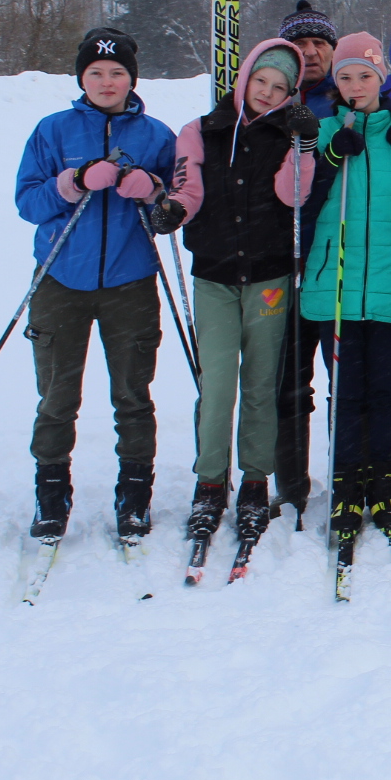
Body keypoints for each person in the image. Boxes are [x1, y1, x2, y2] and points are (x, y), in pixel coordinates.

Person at [15, 29, 177, 541]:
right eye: (96, 73)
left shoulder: (156, 136)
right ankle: (51, 493)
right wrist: (75, 182)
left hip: (130, 283)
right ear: (81, 77)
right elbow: (29, 204)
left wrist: (151, 191)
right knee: (57, 396)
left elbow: (174, 212)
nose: (107, 82)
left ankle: (134, 494)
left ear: (132, 78)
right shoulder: (53, 131)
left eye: (118, 73)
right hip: (61, 278)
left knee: (132, 393)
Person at [155, 39, 318, 544]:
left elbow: (294, 194)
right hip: (215, 277)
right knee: (219, 384)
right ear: (244, 78)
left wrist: (304, 147)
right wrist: (174, 209)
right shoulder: (202, 130)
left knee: (261, 386)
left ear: (291, 94)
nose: (266, 93)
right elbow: (189, 189)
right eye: (261, 81)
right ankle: (209, 484)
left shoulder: (286, 134)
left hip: (268, 278)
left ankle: (254, 481)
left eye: (280, 88)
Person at [299, 33, 391, 541]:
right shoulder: (321, 132)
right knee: (346, 395)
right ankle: (346, 488)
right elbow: (300, 205)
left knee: (387, 395)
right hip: (335, 289)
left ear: (382, 78)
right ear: (335, 84)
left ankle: (386, 484)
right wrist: (328, 160)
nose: (356, 85)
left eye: (365, 75)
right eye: (345, 77)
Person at [271, 0, 338, 518]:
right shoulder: (269, 102)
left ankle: (348, 472)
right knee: (290, 379)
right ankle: (291, 480)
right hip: (284, 262)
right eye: (302, 44)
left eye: (320, 44)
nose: (312, 52)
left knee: (346, 377)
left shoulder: (349, 98)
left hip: (337, 263)